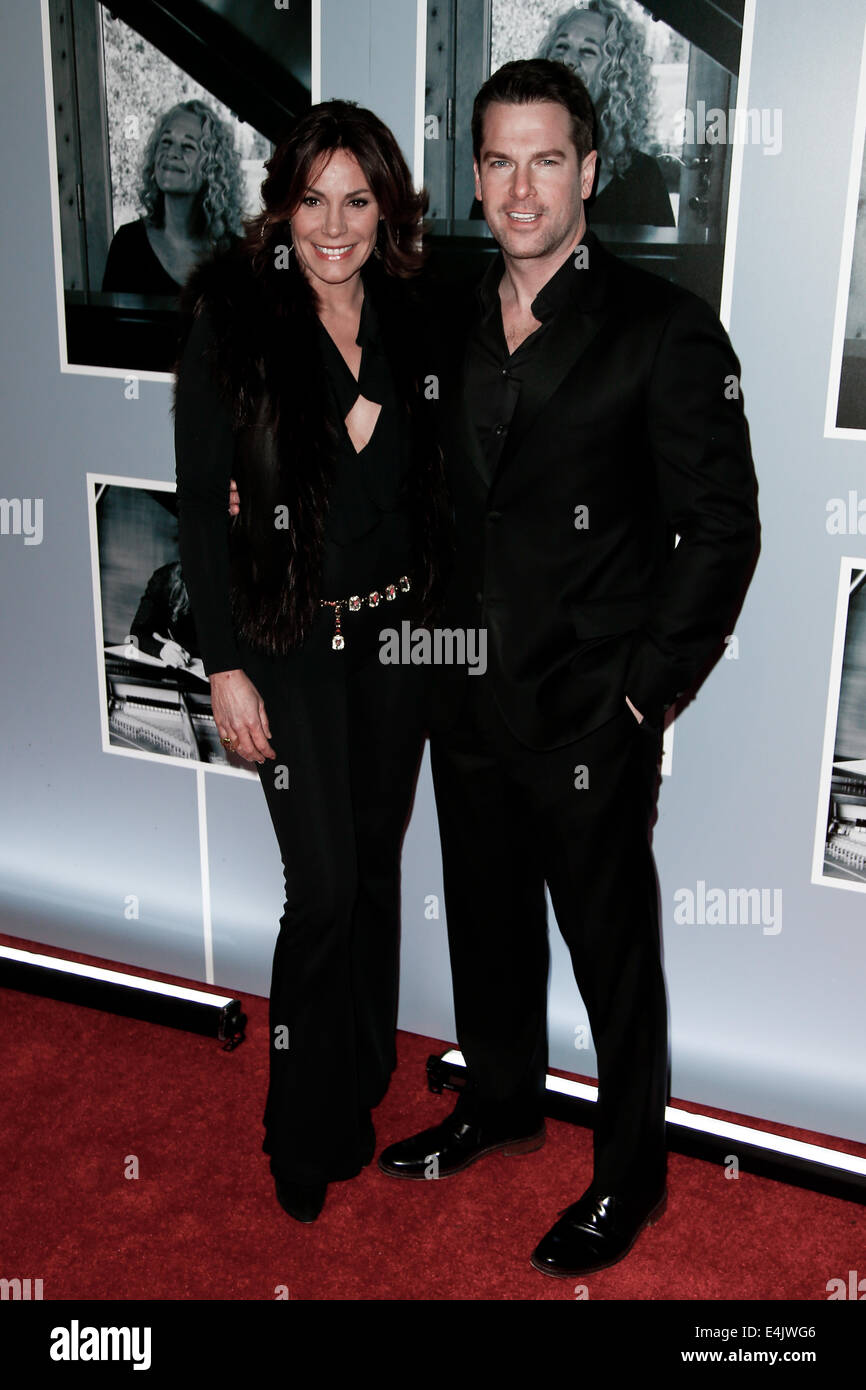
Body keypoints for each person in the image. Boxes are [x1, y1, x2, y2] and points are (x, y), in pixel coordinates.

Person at [377, 59, 760, 1279]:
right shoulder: (441, 312)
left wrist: (643, 693)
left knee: (611, 955)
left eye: (546, 159)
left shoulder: (661, 328)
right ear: (475, 176)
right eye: (497, 161)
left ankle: (630, 1176)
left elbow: (723, 529)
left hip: (592, 710)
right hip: (465, 696)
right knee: (487, 929)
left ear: (588, 171)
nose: (520, 186)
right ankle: (498, 1103)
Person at [173, 100, 449, 1224]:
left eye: (357, 200)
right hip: (289, 644)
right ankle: (299, 1121)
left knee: (375, 870)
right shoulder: (233, 314)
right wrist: (223, 666)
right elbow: (200, 500)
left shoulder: (418, 312)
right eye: (312, 198)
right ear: (281, 201)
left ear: (385, 210)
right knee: (322, 886)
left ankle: (363, 1075)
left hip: (398, 638)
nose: (332, 226)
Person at [471, 0, 673, 226]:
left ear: (616, 76)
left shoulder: (643, 177)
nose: (568, 60)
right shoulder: (507, 162)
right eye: (561, 47)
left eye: (587, 51)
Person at [103, 100, 244, 296]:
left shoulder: (237, 256)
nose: (172, 153)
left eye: (188, 146)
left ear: (212, 167)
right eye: (166, 142)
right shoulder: (128, 244)